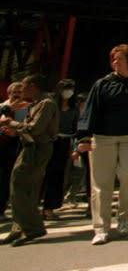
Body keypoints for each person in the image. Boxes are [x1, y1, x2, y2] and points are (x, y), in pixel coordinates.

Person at [77, 44, 128, 245]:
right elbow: (90, 111)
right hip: (102, 138)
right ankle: (101, 228)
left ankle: (123, 216)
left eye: (120, 59)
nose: (116, 62)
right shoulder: (102, 84)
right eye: (113, 59)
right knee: (100, 183)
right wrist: (83, 138)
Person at [0, 74, 59, 246]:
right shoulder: (37, 103)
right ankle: (19, 229)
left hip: (37, 149)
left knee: (20, 186)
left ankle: (32, 228)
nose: (22, 89)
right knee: (25, 188)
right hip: (30, 147)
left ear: (33, 86)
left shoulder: (45, 104)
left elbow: (36, 128)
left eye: (24, 86)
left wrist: (12, 124)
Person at [40, 79, 77, 220]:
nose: (68, 92)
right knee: (42, 174)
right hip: (48, 141)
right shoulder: (50, 104)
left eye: (71, 89)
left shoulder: (73, 108)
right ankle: (36, 206)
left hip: (64, 143)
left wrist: (74, 147)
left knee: (57, 176)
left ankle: (49, 208)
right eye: (66, 88)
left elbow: (75, 128)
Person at [0, 82, 29, 220]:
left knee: (8, 178)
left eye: (20, 92)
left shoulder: (27, 108)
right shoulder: (2, 107)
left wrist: (16, 131)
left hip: (16, 144)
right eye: (14, 93)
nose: (17, 95)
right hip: (1, 143)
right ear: (8, 93)